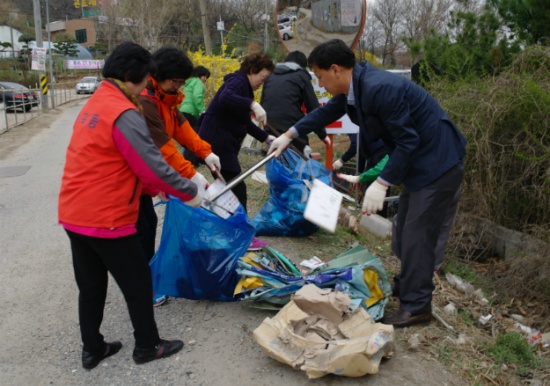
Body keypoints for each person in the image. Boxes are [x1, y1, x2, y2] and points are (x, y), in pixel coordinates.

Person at [268, 39, 466, 328]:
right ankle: (407, 285)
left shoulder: (380, 88)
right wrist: (290, 133)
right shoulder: (357, 88)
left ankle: (417, 306)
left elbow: (408, 140)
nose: (320, 85)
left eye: (320, 76)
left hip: (438, 163)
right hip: (422, 164)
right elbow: (326, 112)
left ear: (335, 70)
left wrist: (382, 183)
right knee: (404, 230)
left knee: (418, 236)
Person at [58, 42, 201, 370]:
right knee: (138, 283)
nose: (148, 81)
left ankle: (92, 349)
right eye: (146, 76)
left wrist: (155, 188)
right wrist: (189, 190)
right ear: (130, 75)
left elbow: (121, 162)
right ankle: (147, 346)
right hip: (106, 216)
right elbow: (151, 164)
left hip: (74, 214)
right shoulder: (123, 111)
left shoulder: (97, 101)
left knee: (91, 286)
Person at [137, 47, 220, 306]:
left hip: (144, 182)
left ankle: (147, 280)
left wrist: (206, 153)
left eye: (182, 83)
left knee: (147, 225)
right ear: (158, 75)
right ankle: (143, 289)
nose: (178, 87)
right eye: (176, 81)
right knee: (141, 230)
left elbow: (182, 129)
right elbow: (164, 150)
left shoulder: (167, 97)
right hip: (132, 180)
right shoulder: (147, 101)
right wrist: (191, 176)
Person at [198, 52, 275, 251]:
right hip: (218, 143)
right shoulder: (238, 83)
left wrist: (266, 138)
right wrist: (252, 104)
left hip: (222, 144)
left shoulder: (243, 86)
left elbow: (243, 122)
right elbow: (225, 97)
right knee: (236, 187)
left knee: (228, 186)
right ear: (252, 71)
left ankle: (228, 229)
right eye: (262, 77)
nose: (262, 83)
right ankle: (242, 235)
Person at [260, 50, 330, 154]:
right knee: (301, 157)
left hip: (269, 127)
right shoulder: (301, 75)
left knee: (275, 159)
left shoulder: (271, 76)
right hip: (290, 127)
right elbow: (313, 107)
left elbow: (263, 102)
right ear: (302, 65)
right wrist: (322, 135)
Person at [179, 65, 211, 167]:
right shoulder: (198, 83)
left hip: (183, 111)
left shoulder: (189, 83)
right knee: (193, 137)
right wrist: (202, 110)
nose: (205, 79)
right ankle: (190, 162)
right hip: (191, 112)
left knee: (187, 137)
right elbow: (197, 97)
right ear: (199, 75)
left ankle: (184, 159)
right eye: (205, 76)